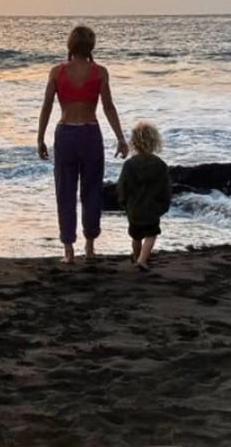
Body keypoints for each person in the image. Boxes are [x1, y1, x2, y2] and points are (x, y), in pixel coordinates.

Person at [37, 25, 129, 264]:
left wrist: (40, 138)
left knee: (65, 192)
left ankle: (68, 249)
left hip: (66, 133)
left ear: (70, 46)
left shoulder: (57, 72)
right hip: (90, 133)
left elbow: (46, 106)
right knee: (91, 191)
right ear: (91, 46)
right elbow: (109, 107)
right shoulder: (99, 72)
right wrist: (120, 138)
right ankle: (89, 244)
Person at [116, 121, 172, 270]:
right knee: (151, 235)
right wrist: (164, 206)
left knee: (136, 236)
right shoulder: (160, 165)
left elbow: (122, 187)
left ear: (134, 143)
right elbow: (166, 189)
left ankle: (137, 257)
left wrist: (124, 204)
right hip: (152, 208)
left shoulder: (129, 165)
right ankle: (142, 259)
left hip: (134, 208)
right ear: (154, 142)